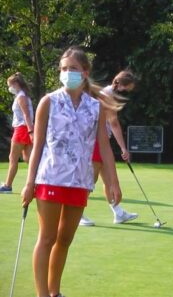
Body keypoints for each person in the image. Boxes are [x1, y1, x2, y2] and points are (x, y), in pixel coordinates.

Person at [21, 46, 123, 297]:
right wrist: (29, 181)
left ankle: (55, 292)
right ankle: (42, 294)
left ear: (85, 72)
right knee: (47, 238)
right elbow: (38, 145)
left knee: (65, 239)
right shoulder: (49, 101)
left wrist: (113, 182)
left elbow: (103, 145)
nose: (67, 73)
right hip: (51, 178)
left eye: (73, 69)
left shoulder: (95, 106)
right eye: (64, 69)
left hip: (79, 180)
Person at [80, 70, 138, 226]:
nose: (126, 93)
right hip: (95, 141)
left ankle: (118, 213)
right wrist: (123, 149)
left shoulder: (106, 92)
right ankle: (78, 213)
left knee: (108, 180)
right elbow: (114, 123)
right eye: (127, 89)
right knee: (90, 179)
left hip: (101, 140)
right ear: (121, 85)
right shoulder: (108, 95)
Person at [0, 73, 34, 193]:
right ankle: (39, 183)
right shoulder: (23, 96)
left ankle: (7, 186)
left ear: (16, 84)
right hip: (25, 129)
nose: (10, 88)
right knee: (29, 158)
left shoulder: (21, 97)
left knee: (13, 158)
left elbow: (26, 115)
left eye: (10, 85)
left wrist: (31, 131)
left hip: (22, 129)